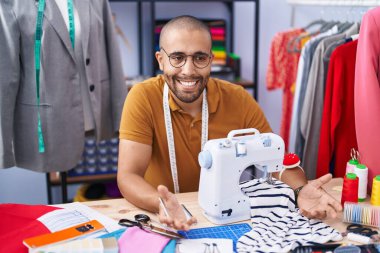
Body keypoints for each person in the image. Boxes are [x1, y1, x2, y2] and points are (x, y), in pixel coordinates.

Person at [117, 15, 342, 231]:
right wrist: (161, 203)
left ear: (211, 60)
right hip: (166, 217)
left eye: (200, 58)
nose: (188, 70)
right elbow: (129, 175)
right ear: (160, 59)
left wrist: (300, 190)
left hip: (225, 216)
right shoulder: (143, 97)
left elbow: (275, 160)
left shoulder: (238, 99)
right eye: (177, 58)